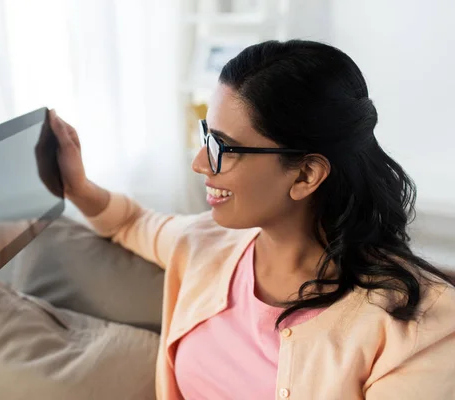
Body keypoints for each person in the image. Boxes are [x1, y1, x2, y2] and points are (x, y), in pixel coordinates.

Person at [46, 40, 455, 399]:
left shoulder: (422, 328)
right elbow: (129, 223)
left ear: (306, 174)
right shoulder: (205, 245)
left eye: (223, 147)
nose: (200, 163)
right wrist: (78, 186)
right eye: (207, 136)